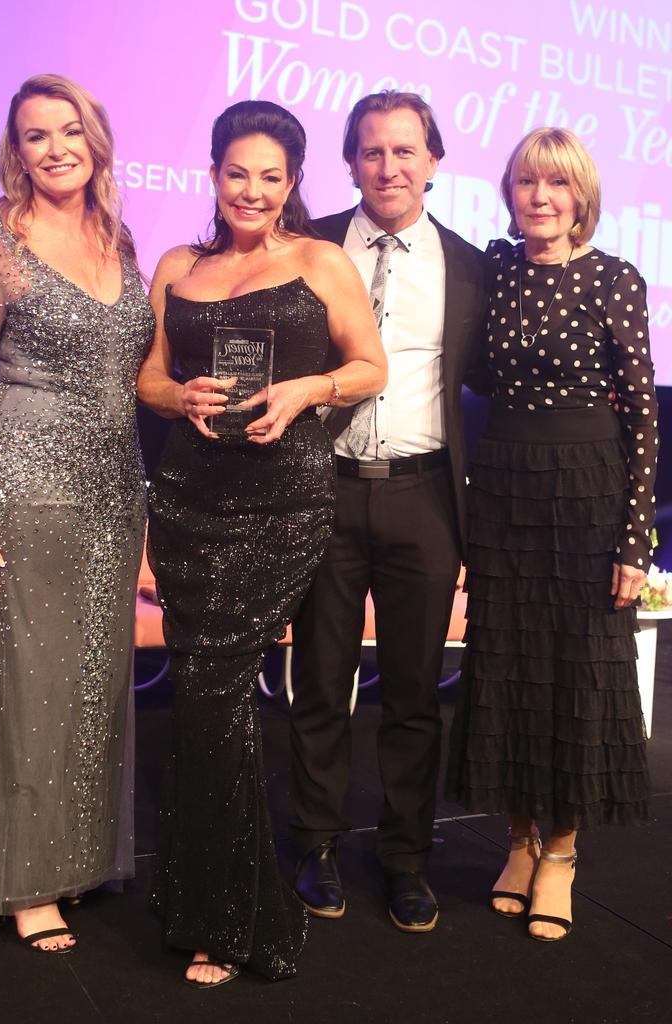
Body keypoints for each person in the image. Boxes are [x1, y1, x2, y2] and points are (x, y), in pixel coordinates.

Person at [0, 74, 154, 970]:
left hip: (112, 496)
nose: (54, 148)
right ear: (18, 150)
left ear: (96, 138)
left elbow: (135, 378)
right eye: (35, 135)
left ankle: (69, 857)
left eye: (68, 131)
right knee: (23, 690)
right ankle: (22, 883)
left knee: (87, 690)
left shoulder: (119, 239)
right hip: (21, 493)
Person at [136, 99, 386, 988]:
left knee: (213, 692)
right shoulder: (178, 265)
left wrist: (310, 389)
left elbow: (371, 366)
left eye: (270, 176)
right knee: (210, 696)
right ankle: (204, 890)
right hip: (190, 502)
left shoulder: (320, 262)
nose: (252, 189)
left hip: (282, 505)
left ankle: (226, 914)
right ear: (212, 174)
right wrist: (181, 400)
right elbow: (149, 375)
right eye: (236, 172)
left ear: (292, 183)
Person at [446, 127, 658, 940]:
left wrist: (635, 542)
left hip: (589, 494)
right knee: (508, 666)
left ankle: (563, 853)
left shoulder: (615, 279)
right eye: (528, 182)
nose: (540, 197)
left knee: (575, 673)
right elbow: (464, 371)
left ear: (581, 200)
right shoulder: (495, 271)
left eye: (557, 185)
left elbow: (641, 414)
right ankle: (520, 840)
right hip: (502, 489)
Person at [289, 91, 488, 932]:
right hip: (323, 489)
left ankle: (407, 858)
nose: (389, 167)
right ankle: (317, 846)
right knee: (322, 684)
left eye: (406, 152)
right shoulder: (309, 247)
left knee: (413, 692)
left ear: (434, 162)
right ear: (350, 162)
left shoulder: (474, 266)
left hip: (425, 497)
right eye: (373, 152)